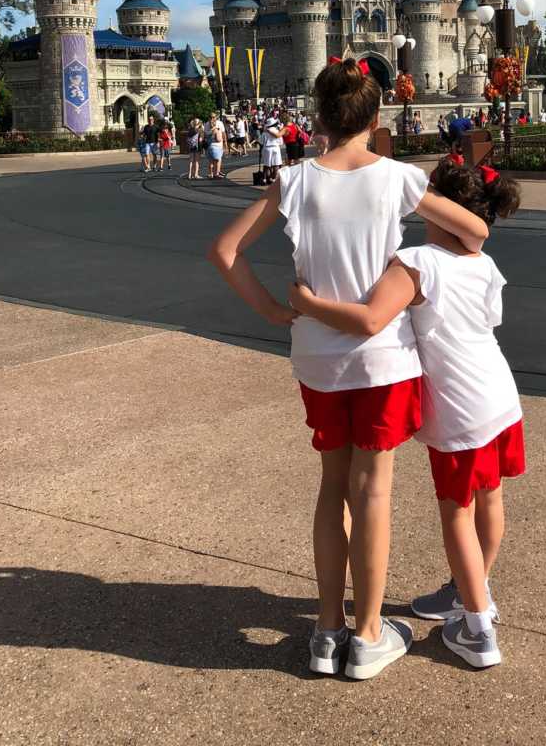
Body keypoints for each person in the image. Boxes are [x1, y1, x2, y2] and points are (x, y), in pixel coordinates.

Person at [207, 59, 489, 680]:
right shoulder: (398, 179)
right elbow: (475, 233)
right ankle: (367, 636)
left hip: (315, 357)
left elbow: (225, 252)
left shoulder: (294, 180)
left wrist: (278, 311)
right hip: (382, 357)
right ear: (377, 115)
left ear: (319, 116)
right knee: (373, 491)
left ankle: (327, 631)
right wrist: (415, 262)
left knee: (332, 486)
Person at [290, 154, 524, 670]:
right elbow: (489, 319)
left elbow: (372, 317)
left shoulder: (416, 262)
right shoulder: (484, 262)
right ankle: (470, 590)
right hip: (500, 395)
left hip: (459, 407)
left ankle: (478, 627)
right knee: (490, 500)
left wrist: (305, 304)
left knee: (456, 511)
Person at [260, 116, 283, 185]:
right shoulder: (278, 131)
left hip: (267, 148)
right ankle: (273, 179)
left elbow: (261, 142)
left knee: (267, 165)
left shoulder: (265, 132)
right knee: (276, 165)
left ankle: (264, 179)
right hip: (275, 147)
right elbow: (281, 142)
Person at [207, 115, 226, 180]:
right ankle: (216, 174)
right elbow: (218, 139)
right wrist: (221, 139)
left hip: (209, 146)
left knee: (211, 161)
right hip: (216, 147)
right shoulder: (215, 130)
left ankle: (210, 174)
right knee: (217, 161)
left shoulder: (208, 129)